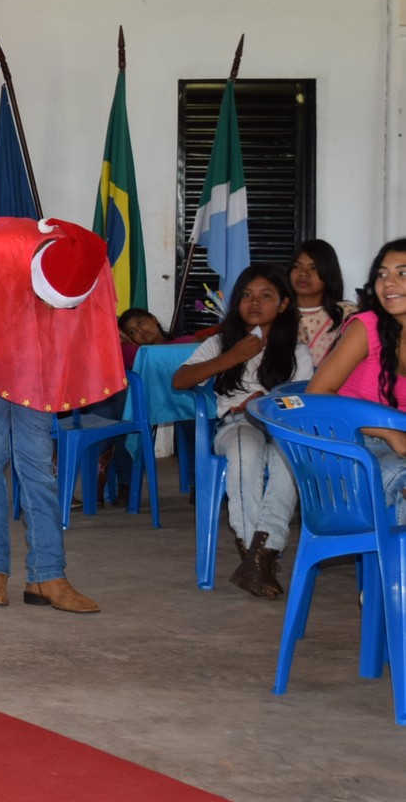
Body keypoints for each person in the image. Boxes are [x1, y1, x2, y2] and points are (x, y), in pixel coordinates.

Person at [0, 219, 120, 613]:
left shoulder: (91, 261)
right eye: (47, 301)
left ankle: (47, 575)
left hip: (38, 358)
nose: (51, 309)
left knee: (36, 464)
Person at [172, 262, 312, 598]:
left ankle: (259, 554)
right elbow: (180, 380)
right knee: (243, 451)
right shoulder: (222, 342)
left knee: (288, 461)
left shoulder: (297, 350)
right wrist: (233, 356)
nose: (254, 303)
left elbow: (301, 400)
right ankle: (258, 557)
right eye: (246, 295)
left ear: (283, 304)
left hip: (281, 428)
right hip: (234, 425)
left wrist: (262, 401)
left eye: (266, 296)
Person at [307, 238, 406, 519]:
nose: (389, 283)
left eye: (403, 273)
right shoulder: (366, 327)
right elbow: (316, 394)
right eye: (382, 274)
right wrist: (389, 433)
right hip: (351, 445)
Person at [291, 239, 354, 367]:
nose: (303, 273)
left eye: (313, 268)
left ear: (328, 273)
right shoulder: (278, 310)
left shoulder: (346, 313)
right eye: (297, 266)